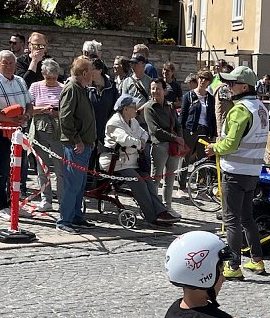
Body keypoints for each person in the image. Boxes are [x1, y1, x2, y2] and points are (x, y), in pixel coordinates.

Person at [203, 66, 268, 280]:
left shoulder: (240, 110)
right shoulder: (261, 107)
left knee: (232, 220)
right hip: (252, 172)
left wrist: (214, 148)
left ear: (244, 87)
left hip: (235, 172)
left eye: (232, 83)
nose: (228, 86)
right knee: (248, 218)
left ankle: (233, 266)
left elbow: (231, 144)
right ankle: (257, 261)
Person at [101, 94, 179, 227]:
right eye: (133, 107)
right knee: (139, 183)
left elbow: (144, 133)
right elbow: (125, 140)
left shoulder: (133, 121)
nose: (136, 109)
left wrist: (140, 140)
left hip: (131, 161)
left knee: (148, 181)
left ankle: (161, 212)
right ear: (125, 109)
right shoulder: (114, 122)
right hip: (117, 162)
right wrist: (139, 143)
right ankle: (152, 217)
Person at [0, 50, 33, 219]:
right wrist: (7, 119)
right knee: (3, 170)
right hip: (2, 132)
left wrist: (27, 115)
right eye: (5, 63)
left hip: (20, 131)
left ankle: (14, 203)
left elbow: (29, 103)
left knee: (18, 169)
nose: (9, 66)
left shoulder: (20, 81)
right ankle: (2, 206)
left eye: (11, 63)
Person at [56, 56, 97, 233]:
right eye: (91, 70)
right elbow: (65, 118)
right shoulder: (72, 88)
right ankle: (64, 219)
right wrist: (77, 140)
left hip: (85, 144)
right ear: (84, 72)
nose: (93, 74)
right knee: (72, 184)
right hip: (75, 145)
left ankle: (76, 216)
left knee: (80, 184)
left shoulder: (81, 88)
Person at [143, 78, 184, 218]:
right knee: (156, 179)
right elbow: (155, 130)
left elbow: (177, 125)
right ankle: (154, 208)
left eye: (158, 88)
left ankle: (167, 207)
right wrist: (175, 138)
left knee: (170, 178)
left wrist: (180, 139)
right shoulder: (149, 107)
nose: (155, 91)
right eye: (153, 88)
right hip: (159, 145)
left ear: (164, 90)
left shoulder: (169, 106)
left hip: (173, 146)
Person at [28, 58, 64, 212]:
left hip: (58, 132)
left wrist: (56, 112)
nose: (51, 81)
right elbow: (29, 109)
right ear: (43, 74)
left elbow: (67, 110)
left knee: (60, 168)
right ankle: (46, 199)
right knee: (42, 168)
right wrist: (43, 109)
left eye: (54, 78)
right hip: (39, 131)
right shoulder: (35, 87)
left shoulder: (63, 88)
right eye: (49, 78)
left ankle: (62, 200)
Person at [179, 70, 216, 188]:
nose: (202, 81)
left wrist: (214, 134)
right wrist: (180, 133)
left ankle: (201, 186)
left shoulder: (211, 99)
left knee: (202, 159)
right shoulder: (188, 96)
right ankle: (181, 186)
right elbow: (183, 115)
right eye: (201, 78)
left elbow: (213, 117)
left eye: (206, 79)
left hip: (204, 131)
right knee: (185, 158)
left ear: (209, 82)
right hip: (190, 130)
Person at [120, 54, 153, 122]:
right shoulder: (126, 81)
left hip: (144, 119)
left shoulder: (150, 81)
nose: (133, 66)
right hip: (130, 119)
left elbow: (151, 100)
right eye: (131, 63)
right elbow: (124, 100)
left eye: (135, 63)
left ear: (143, 65)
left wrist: (138, 111)